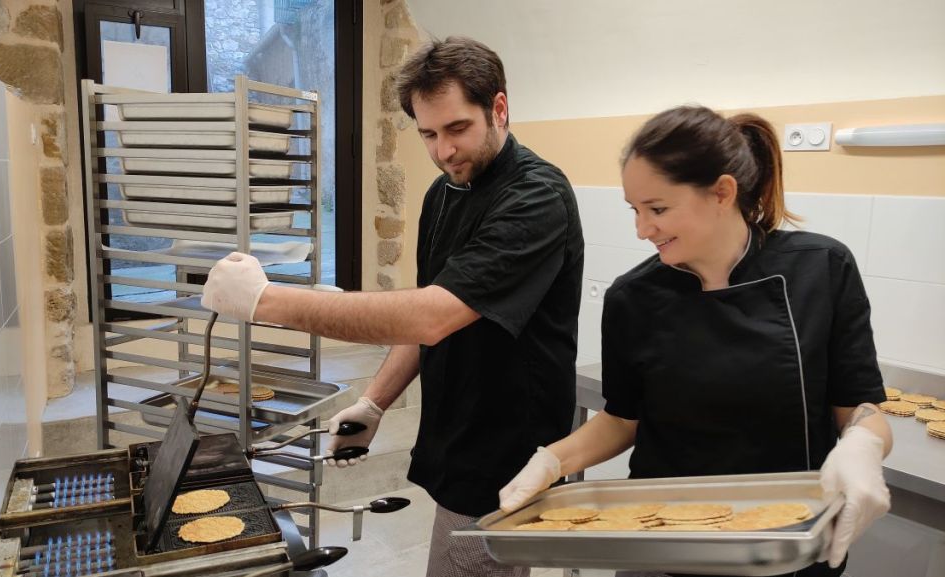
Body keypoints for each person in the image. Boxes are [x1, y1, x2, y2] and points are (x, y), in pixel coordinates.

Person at [202, 36, 584, 577]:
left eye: (457, 129)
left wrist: (267, 301)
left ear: (499, 108)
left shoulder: (536, 198)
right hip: (456, 422)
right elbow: (428, 318)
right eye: (428, 134)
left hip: (506, 442)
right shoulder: (444, 193)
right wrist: (375, 403)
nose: (443, 151)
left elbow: (432, 313)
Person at [498, 105, 892, 577]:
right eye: (635, 210)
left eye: (658, 209)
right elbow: (623, 420)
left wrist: (864, 446)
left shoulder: (821, 269)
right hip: (661, 546)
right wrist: (551, 460)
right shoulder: (632, 296)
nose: (642, 229)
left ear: (722, 192)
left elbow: (861, 407)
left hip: (786, 545)